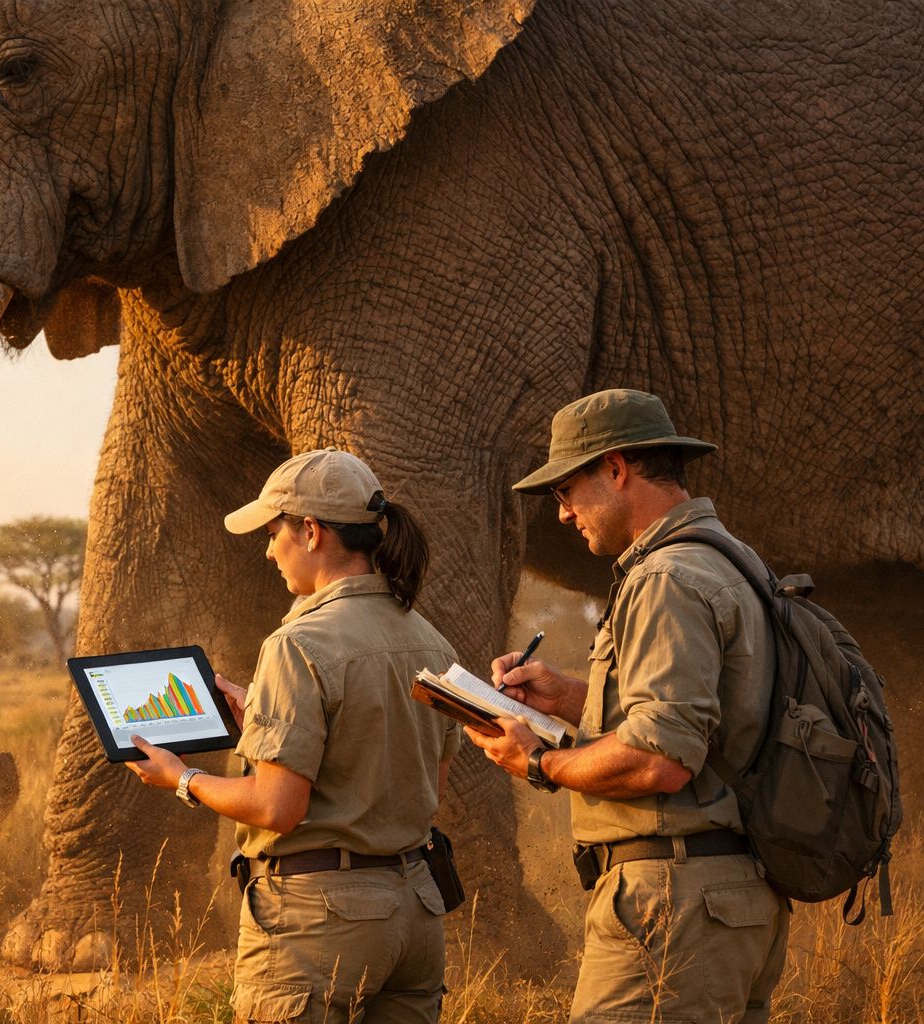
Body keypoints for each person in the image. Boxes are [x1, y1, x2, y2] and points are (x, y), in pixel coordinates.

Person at [465, 389, 787, 1022]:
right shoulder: (732, 561)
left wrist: (538, 762)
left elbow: (661, 760)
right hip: (735, 901)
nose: (563, 514)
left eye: (566, 491)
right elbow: (707, 719)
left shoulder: (665, 578)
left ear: (616, 469)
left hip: (672, 905)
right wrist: (569, 698)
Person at [126, 448, 461, 1024]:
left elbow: (277, 808)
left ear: (310, 531)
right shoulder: (432, 640)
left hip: (319, 924)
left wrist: (183, 778)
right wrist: (261, 717)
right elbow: (425, 783)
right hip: (416, 914)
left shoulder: (297, 643)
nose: (268, 549)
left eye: (272, 532)